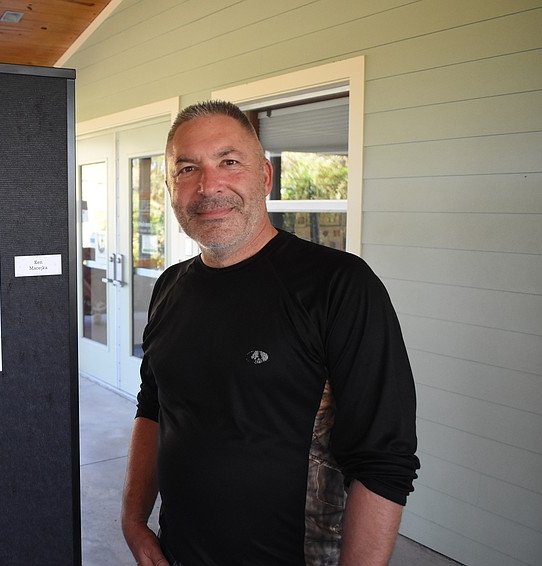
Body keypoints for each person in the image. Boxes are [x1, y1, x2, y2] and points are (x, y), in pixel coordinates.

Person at [121, 100, 419, 566]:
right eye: (186, 168)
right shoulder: (169, 286)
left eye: (229, 162)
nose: (208, 186)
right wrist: (134, 521)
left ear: (264, 176)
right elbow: (153, 405)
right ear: (170, 188)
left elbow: (384, 459)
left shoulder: (339, 286)